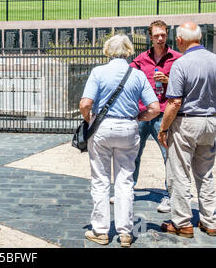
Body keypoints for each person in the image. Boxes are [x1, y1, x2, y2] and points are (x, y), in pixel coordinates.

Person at [80, 34, 160, 247]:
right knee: (125, 180)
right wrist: (138, 117)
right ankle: (125, 232)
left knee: (100, 179)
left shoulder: (98, 72)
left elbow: (85, 103)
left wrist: (90, 121)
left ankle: (101, 230)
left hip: (103, 128)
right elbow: (154, 108)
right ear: (128, 51)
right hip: (128, 127)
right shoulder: (138, 75)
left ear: (107, 50)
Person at [110, 20, 181, 212]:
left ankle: (169, 195)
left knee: (169, 156)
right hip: (143, 114)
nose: (160, 38)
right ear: (150, 37)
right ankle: (127, 191)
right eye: (157, 35)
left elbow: (185, 84)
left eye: (163, 35)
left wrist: (169, 81)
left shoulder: (177, 58)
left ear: (167, 35)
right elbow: (125, 77)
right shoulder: (141, 59)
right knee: (133, 154)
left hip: (165, 114)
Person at [158, 22, 216, 238]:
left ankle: (182, 222)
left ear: (180, 40)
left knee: (180, 172)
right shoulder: (214, 60)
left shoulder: (181, 64)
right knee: (206, 173)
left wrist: (163, 128)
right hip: (211, 121)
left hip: (187, 122)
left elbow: (174, 102)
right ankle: (210, 221)